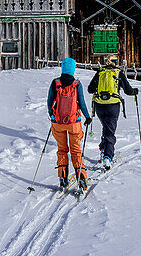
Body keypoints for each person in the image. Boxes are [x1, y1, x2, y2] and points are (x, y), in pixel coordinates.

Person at [87, 54, 139, 170]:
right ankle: (107, 157)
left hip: (99, 105)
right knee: (110, 131)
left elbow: (90, 89)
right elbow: (128, 90)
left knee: (106, 127)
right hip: (113, 106)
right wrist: (135, 91)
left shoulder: (100, 72)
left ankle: (102, 149)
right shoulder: (118, 73)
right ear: (115, 62)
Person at [48, 57, 92, 191]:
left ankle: (62, 179)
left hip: (58, 122)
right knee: (76, 151)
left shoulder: (55, 83)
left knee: (62, 150)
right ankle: (82, 180)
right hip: (74, 122)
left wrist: (52, 115)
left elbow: (49, 101)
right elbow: (82, 103)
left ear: (62, 68)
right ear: (73, 69)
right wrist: (87, 116)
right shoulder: (76, 84)